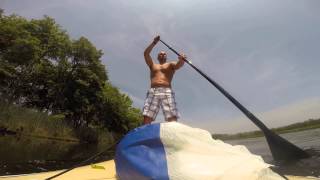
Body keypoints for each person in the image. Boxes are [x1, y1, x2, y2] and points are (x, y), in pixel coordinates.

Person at [142, 35, 186, 124]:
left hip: (167, 90)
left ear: (166, 56)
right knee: (147, 116)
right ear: (158, 57)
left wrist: (182, 59)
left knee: (172, 117)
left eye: (164, 54)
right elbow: (146, 54)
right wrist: (154, 42)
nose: (162, 54)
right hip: (153, 91)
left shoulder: (170, 64)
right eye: (160, 54)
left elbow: (178, 65)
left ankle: (173, 136)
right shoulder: (153, 65)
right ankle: (145, 135)